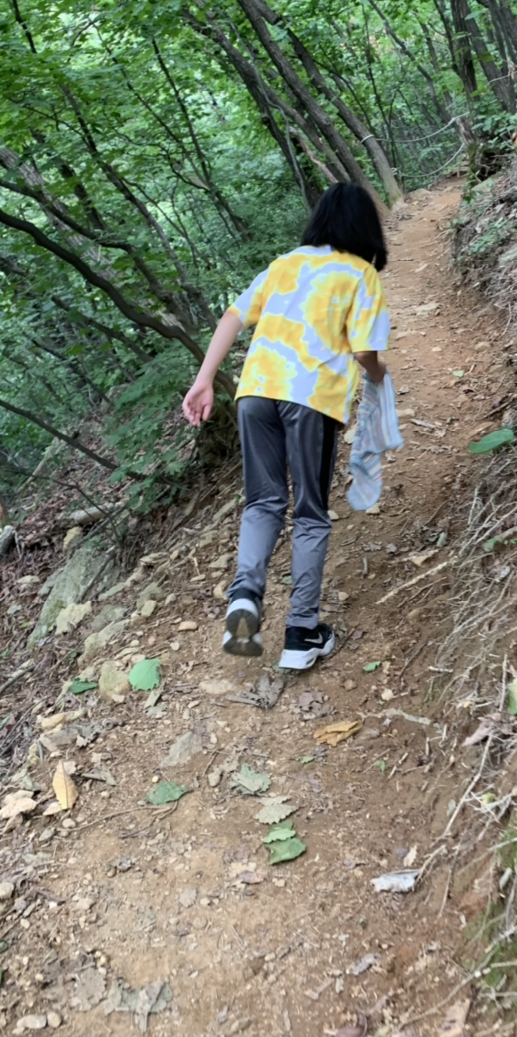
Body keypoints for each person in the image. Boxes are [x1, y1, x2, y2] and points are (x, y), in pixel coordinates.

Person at [182, 182, 390, 671]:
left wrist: (204, 380)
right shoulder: (360, 274)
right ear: (366, 226)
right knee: (310, 512)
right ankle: (301, 631)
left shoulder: (285, 263)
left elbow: (233, 317)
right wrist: (380, 378)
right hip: (311, 399)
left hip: (256, 392)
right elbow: (364, 352)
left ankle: (244, 598)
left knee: (263, 501)